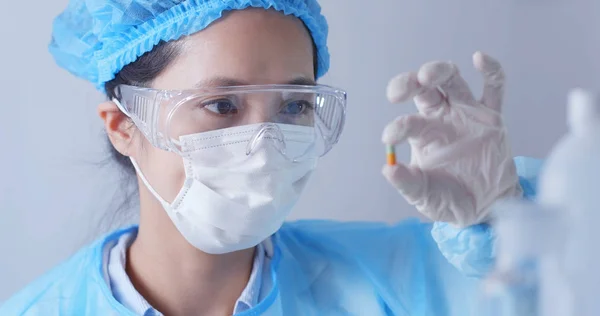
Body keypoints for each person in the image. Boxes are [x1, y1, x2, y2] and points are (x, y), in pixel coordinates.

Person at [0, 0, 542, 315]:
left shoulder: (396, 281)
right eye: (221, 104)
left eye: (292, 106)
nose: (263, 142)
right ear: (124, 127)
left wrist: (505, 223)